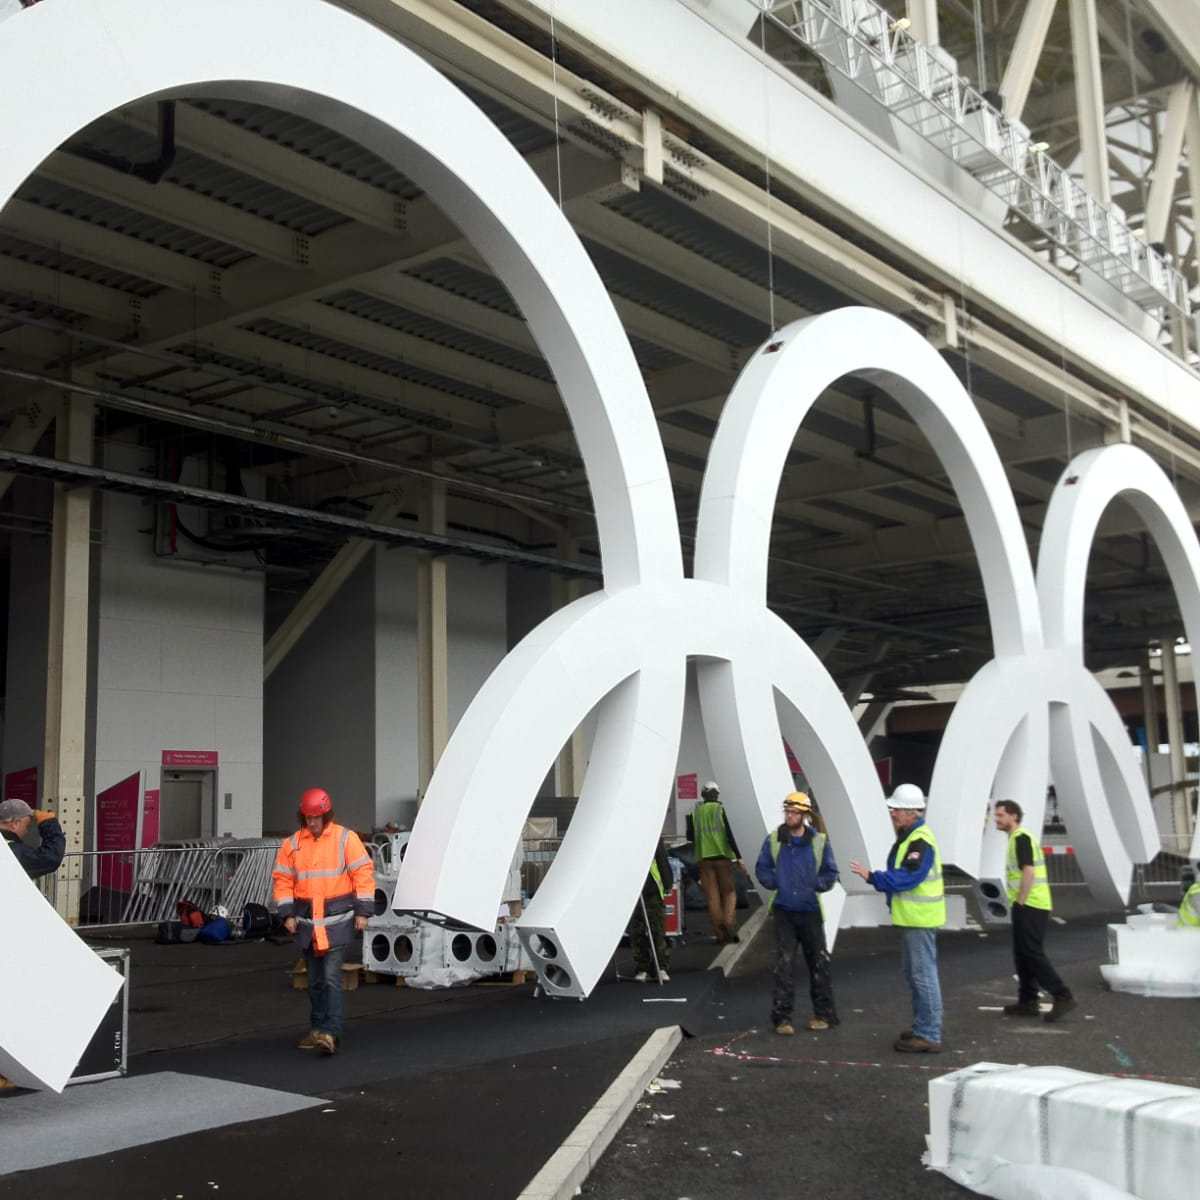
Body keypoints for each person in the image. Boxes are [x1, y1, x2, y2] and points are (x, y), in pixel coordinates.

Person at [272, 787, 374, 1056]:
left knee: (330, 978)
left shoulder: (345, 839)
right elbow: (283, 880)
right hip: (308, 925)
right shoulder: (292, 844)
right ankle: (318, 1029)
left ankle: (331, 1032)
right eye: (308, 818)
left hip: (336, 924)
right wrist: (287, 914)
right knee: (315, 980)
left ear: (326, 816)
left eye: (316, 818)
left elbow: (363, 874)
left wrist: (363, 912)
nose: (312, 822)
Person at [849, 783, 945, 1054]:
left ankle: (929, 1033)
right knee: (916, 976)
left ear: (912, 812)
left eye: (897, 809)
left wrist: (874, 877)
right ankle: (923, 1027)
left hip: (919, 919)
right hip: (914, 918)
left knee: (923, 977)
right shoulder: (913, 836)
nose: (892, 813)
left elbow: (908, 876)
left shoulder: (919, 840)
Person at [755, 791, 839, 1035]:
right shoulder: (774, 840)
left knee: (819, 964)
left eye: (794, 812)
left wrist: (816, 885)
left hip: (810, 911)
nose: (789, 816)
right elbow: (762, 868)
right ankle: (782, 1019)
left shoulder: (819, 841)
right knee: (784, 965)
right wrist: (777, 883)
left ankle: (824, 1015)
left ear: (804, 815)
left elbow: (830, 872)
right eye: (787, 812)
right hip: (784, 912)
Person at [993, 799, 1075, 1021]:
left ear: (1013, 816)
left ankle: (1062, 995)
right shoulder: (1016, 838)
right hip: (1028, 903)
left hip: (1031, 904)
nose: (996, 819)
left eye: (1000, 815)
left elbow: (1028, 871)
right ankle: (1027, 1001)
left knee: (1031, 952)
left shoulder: (1021, 838)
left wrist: (1020, 901)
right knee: (1022, 954)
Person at [686, 780, 742, 944]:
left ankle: (720, 934)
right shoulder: (722, 809)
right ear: (717, 794)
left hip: (704, 858)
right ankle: (729, 924)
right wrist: (739, 856)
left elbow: (690, 836)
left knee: (712, 897)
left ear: (703, 794)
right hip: (722, 857)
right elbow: (731, 834)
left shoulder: (695, 812)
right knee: (729, 892)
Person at [629, 839, 673, 983]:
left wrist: (667, 881)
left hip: (651, 887)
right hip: (634, 888)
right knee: (638, 930)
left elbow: (661, 857)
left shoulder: (652, 834)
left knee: (656, 928)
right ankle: (644, 967)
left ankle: (659, 966)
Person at [0, 798, 65, 879]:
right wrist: (49, 823)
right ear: (15, 824)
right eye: (26, 826)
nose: (26, 831)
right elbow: (50, 859)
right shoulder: (12, 850)